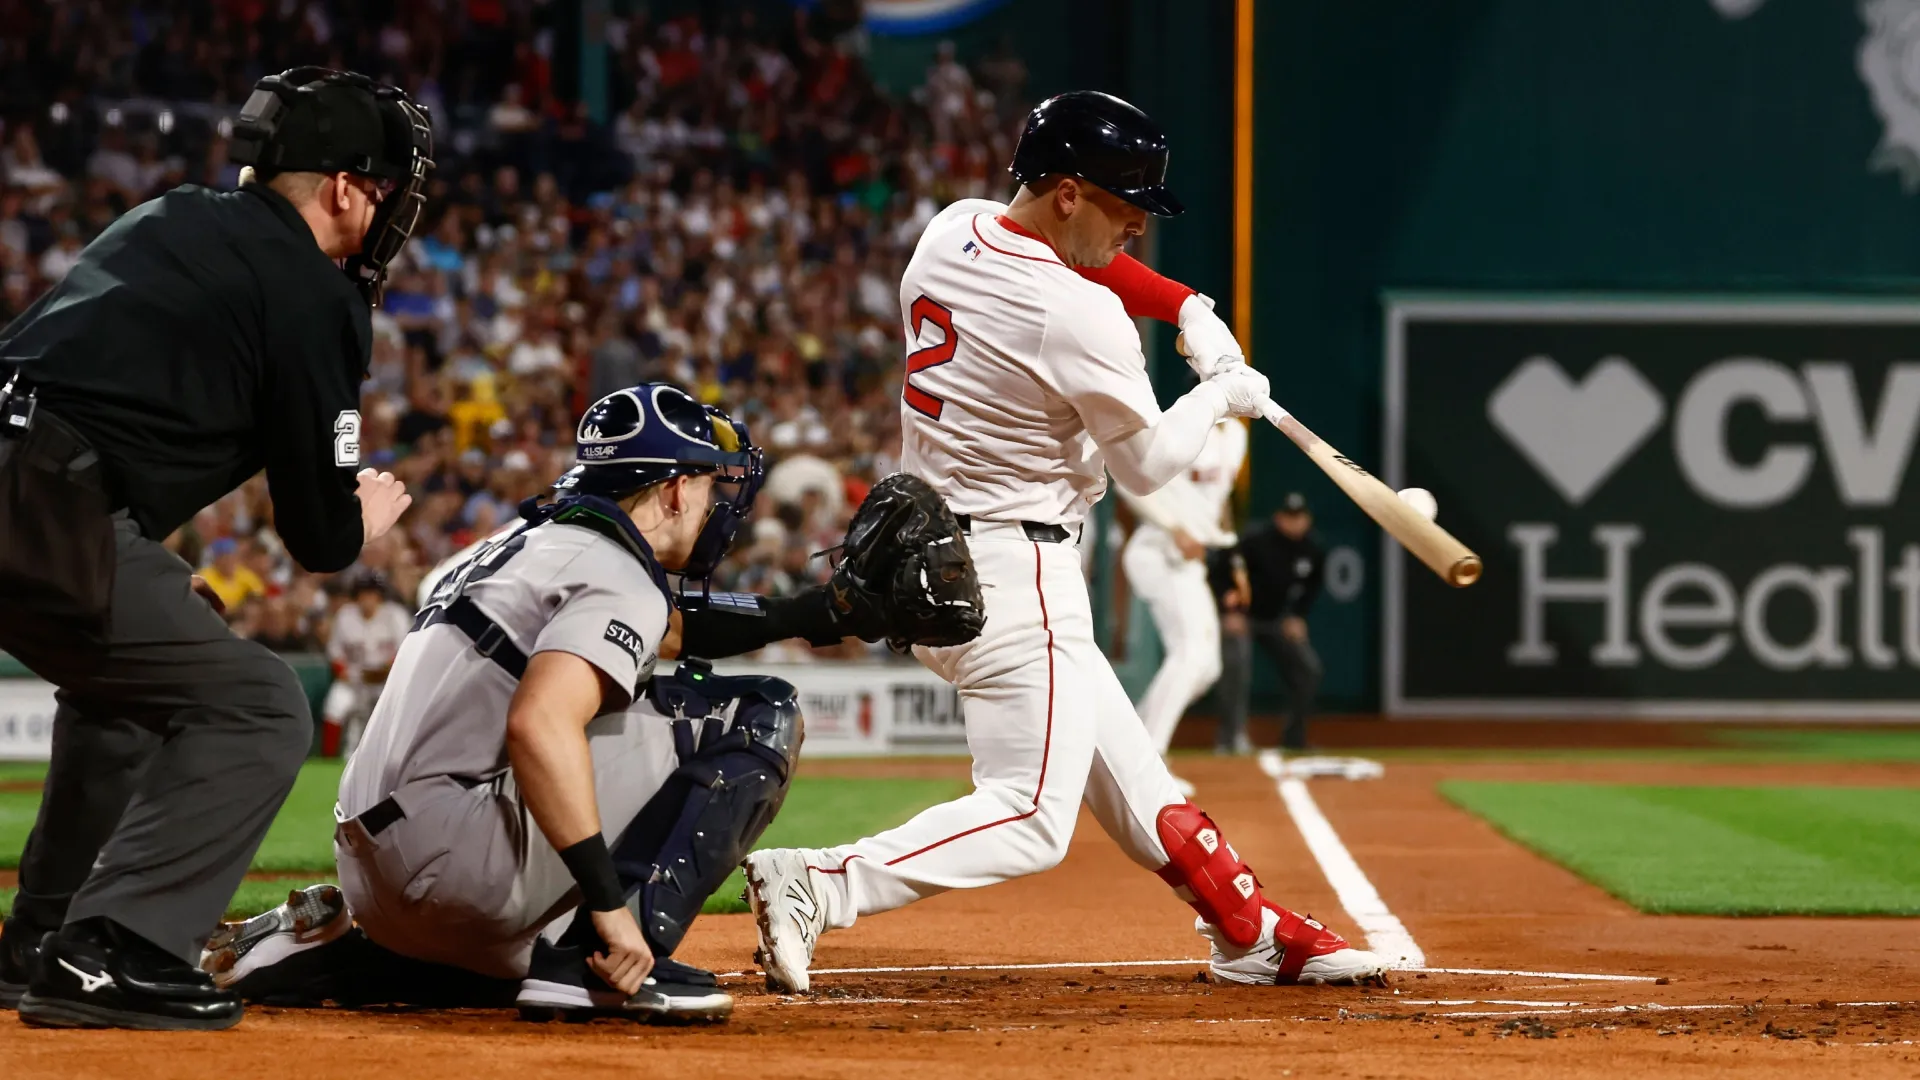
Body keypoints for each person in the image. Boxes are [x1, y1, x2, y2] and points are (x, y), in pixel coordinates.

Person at [741, 92, 1387, 992]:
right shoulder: (1079, 317)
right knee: (1032, 819)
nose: (1136, 235)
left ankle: (1251, 933)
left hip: (926, 557)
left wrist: (1185, 306)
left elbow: (1070, 263)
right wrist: (1219, 392)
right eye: (1125, 211)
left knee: (1132, 780)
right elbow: (1151, 467)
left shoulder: (951, 230)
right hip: (1017, 569)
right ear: (1071, 193)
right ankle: (821, 882)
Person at [196, 385, 984, 1021]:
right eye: (711, 484)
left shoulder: (524, 543)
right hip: (451, 857)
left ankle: (335, 951)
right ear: (674, 489)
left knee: (519, 959)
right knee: (756, 713)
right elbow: (540, 722)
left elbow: (669, 630)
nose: (719, 505)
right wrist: (606, 906)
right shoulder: (614, 569)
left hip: (378, 866)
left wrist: (819, 614)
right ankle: (609, 961)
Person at [0, 67, 430, 1030]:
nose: (394, 209)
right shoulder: (318, 296)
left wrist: (136, 552)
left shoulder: (172, 216)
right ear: (343, 188)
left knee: (134, 697)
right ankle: (118, 948)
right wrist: (364, 517)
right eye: (388, 188)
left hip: (33, 483)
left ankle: (40, 942)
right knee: (262, 706)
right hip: (45, 504)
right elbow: (318, 539)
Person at [1116, 416, 1248, 790]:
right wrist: (1173, 527)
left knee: (1207, 667)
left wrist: (1232, 554)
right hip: (1157, 551)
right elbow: (1128, 483)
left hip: (1191, 562)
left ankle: (1129, 750)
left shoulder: (1236, 435)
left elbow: (1219, 500)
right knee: (1190, 655)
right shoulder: (1176, 426)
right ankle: (1148, 764)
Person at [1216, 492, 1325, 752]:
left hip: (1277, 620)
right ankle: (1230, 738)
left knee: (1309, 669)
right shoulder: (1255, 541)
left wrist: (1298, 615)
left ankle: (1294, 739)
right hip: (1244, 618)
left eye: (1299, 517)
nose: (1294, 522)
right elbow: (1221, 571)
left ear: (1307, 519)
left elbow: (1311, 588)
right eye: (1289, 516)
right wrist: (1227, 610)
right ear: (1278, 518)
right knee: (1237, 666)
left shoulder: (1313, 549)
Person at [321, 571, 412, 759]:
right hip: (355, 679)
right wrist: (342, 671)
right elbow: (334, 651)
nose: (368, 598)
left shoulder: (395, 615)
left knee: (396, 713)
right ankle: (328, 759)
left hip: (386, 681)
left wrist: (388, 668)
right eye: (364, 593)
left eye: (372, 593)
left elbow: (406, 649)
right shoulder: (345, 616)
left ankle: (394, 756)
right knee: (334, 706)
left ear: (380, 596)